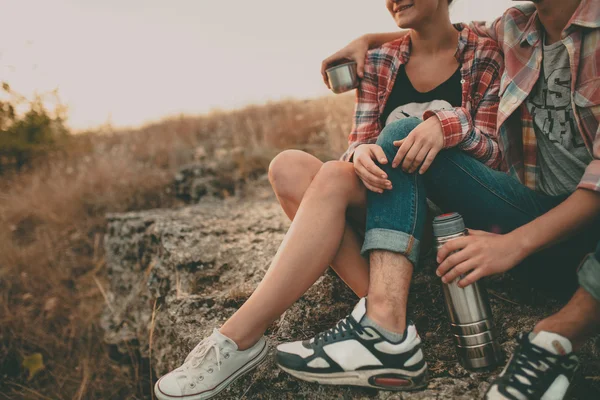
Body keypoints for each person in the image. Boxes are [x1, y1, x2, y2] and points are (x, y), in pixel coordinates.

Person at [153, 0, 504, 399]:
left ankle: (238, 338)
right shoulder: (381, 60)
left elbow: (494, 153)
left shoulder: (484, 51)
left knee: (344, 169)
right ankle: (381, 312)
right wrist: (360, 154)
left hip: (444, 219)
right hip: (387, 205)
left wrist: (446, 126)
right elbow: (357, 145)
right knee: (289, 166)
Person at [317, 1, 600, 399]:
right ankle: (383, 327)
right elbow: (441, 31)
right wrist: (366, 41)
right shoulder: (516, 26)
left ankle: (554, 342)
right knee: (404, 131)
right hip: (535, 217)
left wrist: (510, 245)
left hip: (586, 236)